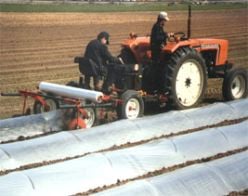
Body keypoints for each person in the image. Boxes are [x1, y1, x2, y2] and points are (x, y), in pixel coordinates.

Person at [149, 12, 170, 94]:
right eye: (164, 20)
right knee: (160, 69)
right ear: (161, 20)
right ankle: (160, 88)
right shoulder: (156, 27)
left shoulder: (159, 27)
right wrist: (165, 36)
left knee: (159, 68)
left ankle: (158, 87)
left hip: (157, 50)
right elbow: (157, 37)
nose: (165, 22)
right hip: (156, 51)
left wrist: (165, 34)